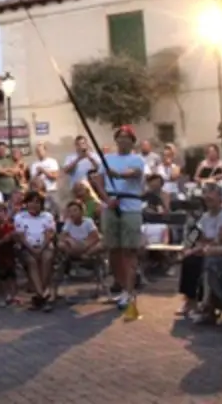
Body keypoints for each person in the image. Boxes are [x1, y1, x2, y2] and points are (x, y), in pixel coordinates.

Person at [99, 125, 146, 316]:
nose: (123, 140)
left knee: (129, 250)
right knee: (113, 248)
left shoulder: (138, 159)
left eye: (127, 137)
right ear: (116, 140)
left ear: (132, 141)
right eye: (120, 137)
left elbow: (135, 173)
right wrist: (106, 199)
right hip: (111, 204)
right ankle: (120, 286)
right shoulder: (108, 159)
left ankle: (130, 290)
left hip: (130, 206)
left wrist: (118, 174)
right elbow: (99, 181)